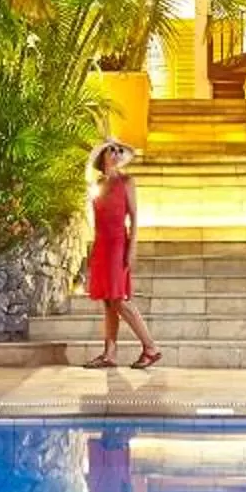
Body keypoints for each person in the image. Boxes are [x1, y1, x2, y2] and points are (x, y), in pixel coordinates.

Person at [83, 140, 161, 369]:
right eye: (112, 150)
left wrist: (132, 247)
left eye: (119, 151)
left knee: (119, 299)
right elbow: (94, 218)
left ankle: (150, 347)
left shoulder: (126, 181)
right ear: (103, 156)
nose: (116, 154)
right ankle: (110, 354)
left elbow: (135, 216)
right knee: (108, 302)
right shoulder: (97, 184)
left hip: (118, 243)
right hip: (101, 245)